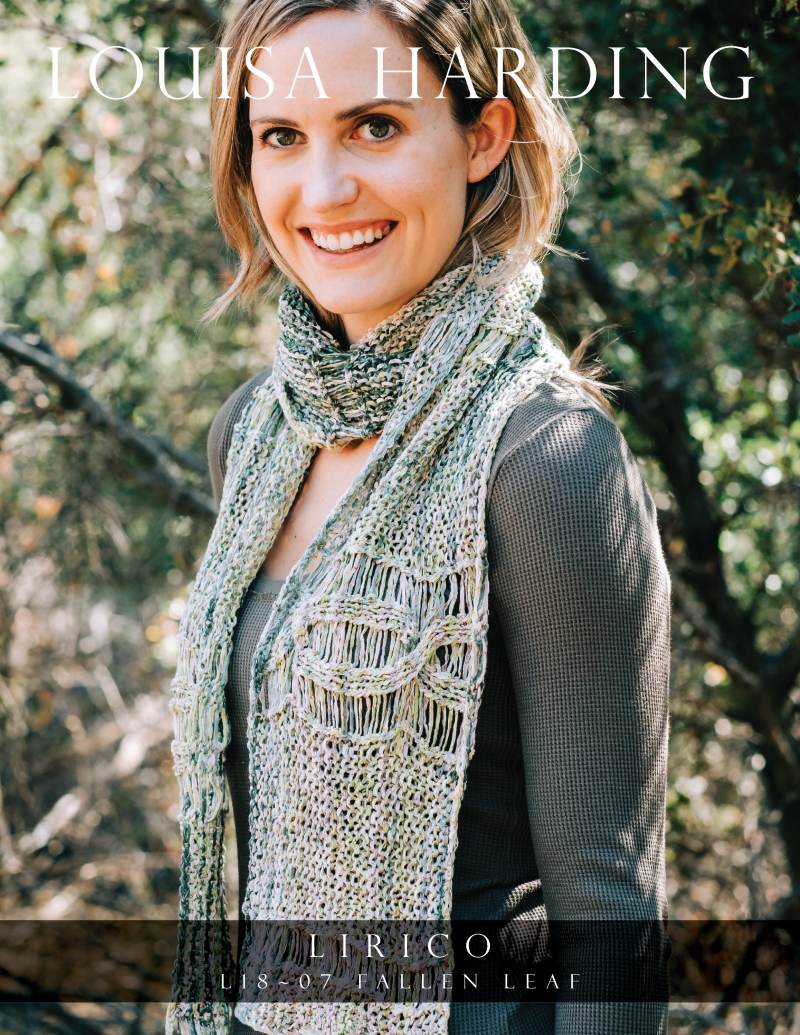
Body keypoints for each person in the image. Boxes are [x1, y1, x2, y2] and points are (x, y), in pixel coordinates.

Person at [166, 1, 672, 1033]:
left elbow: (608, 909)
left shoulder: (545, 459)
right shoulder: (255, 435)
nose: (324, 190)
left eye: (376, 126)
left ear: (484, 137)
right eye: (281, 136)